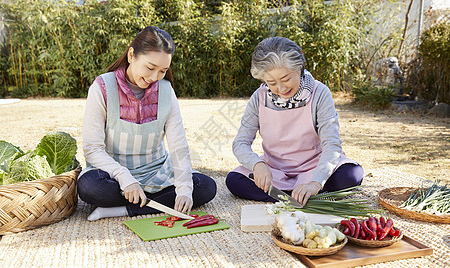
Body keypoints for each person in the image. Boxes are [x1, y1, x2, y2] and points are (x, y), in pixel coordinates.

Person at [78, 26, 216, 221]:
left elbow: (178, 145)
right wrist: (124, 177)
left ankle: (123, 210)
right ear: (131, 55)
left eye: (162, 71)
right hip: (112, 176)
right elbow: (92, 149)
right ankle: (154, 202)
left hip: (157, 172)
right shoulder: (102, 87)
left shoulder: (166, 91)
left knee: (205, 186)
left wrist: (184, 189)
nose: (154, 78)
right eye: (150, 68)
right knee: (89, 188)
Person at [226, 37, 363, 206]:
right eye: (272, 83)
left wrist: (316, 182)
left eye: (286, 79)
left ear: (299, 68)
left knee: (351, 175)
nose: (281, 89)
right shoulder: (259, 97)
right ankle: (301, 197)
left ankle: (296, 194)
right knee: (234, 180)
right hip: (275, 171)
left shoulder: (320, 93)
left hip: (314, 168)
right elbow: (240, 143)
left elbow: (332, 145)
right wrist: (258, 165)